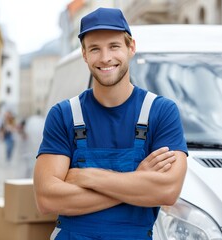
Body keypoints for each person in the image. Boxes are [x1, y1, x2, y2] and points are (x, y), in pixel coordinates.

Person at [33, 7, 188, 240]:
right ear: (84, 54)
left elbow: (167, 191)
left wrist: (87, 177)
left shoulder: (161, 112)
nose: (105, 58)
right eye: (95, 49)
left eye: (114, 46)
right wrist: (137, 181)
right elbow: (47, 199)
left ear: (131, 48)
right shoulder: (64, 114)